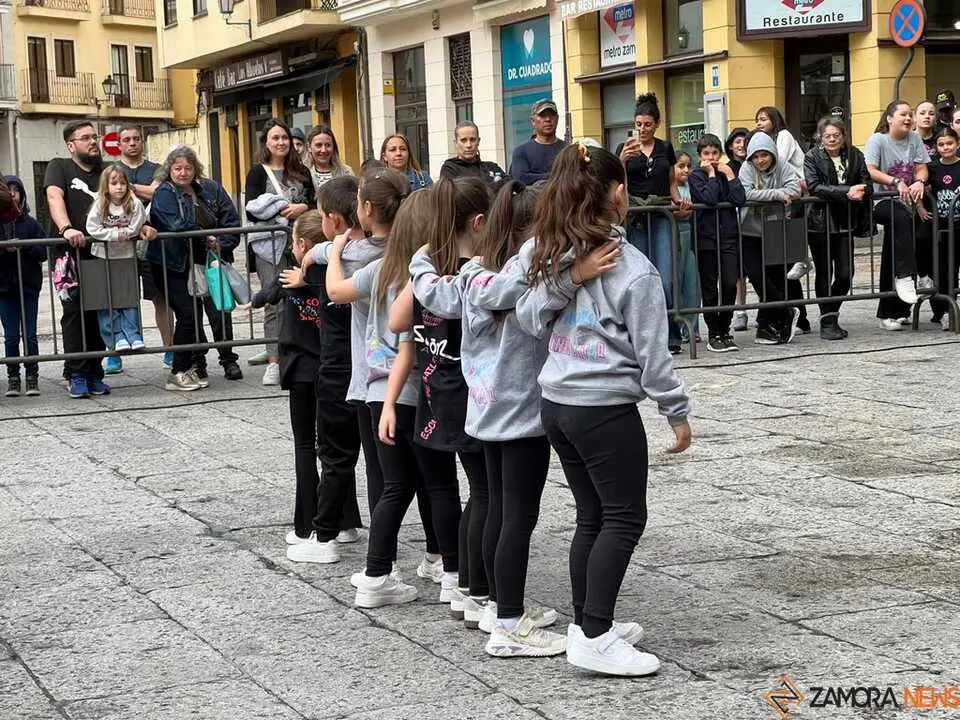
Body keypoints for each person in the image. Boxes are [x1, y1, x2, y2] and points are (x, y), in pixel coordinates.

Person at [515, 143, 691, 677]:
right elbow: (652, 353)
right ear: (618, 193)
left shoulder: (546, 251)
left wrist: (568, 277)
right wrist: (676, 411)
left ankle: (589, 624)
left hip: (558, 404)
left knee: (592, 514)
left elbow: (525, 317)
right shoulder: (633, 270)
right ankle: (594, 634)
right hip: (602, 410)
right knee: (623, 517)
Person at [302, 170, 442, 579]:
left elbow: (334, 285)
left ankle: (384, 564)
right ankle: (438, 556)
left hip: (377, 379)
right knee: (434, 478)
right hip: (421, 374)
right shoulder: (410, 256)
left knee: (388, 477)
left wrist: (323, 251)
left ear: (364, 211)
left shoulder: (360, 257)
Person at [326, 189, 462, 609]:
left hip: (374, 391)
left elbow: (335, 291)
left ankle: (376, 572)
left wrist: (332, 251)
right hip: (416, 390)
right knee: (439, 484)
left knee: (394, 487)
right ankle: (453, 575)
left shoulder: (379, 270)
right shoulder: (427, 277)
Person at [453, 180, 564, 655]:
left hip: (487, 409)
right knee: (518, 516)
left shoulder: (476, 276)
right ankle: (511, 624)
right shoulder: (520, 280)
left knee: (499, 509)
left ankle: (499, 607)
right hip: (520, 412)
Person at [249, 211, 360, 563]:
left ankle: (306, 524)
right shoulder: (338, 274)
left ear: (300, 244)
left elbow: (262, 296)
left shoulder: (296, 275)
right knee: (336, 448)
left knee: (304, 446)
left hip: (302, 369)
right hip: (336, 369)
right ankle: (345, 521)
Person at [404, 177, 492, 624]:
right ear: (479, 221)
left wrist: (418, 261)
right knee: (485, 494)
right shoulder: (476, 276)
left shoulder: (427, 269)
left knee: (462, 492)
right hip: (469, 396)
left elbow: (400, 318)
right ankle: (478, 591)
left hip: (434, 392)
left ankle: (459, 581)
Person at [46, 120, 156, 398]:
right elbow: (54, 196)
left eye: (94, 137)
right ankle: (75, 373)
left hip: (103, 254)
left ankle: (94, 371)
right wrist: (66, 227)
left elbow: (129, 197)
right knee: (74, 315)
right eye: (85, 138)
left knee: (100, 311)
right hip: (70, 256)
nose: (93, 142)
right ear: (71, 145)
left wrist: (141, 224)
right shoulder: (59, 166)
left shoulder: (107, 170)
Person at [149, 146, 241, 391]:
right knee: (189, 316)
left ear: (195, 168)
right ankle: (190, 364)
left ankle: (226, 359)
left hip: (209, 261)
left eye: (188, 168)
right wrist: (204, 236)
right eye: (177, 168)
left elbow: (231, 222)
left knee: (220, 310)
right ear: (169, 170)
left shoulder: (210, 189)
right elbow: (178, 225)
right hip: (175, 263)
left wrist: (220, 243)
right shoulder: (165, 193)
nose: (182, 173)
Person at [245, 118, 314, 385]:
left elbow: (315, 202)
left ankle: (296, 354)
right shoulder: (257, 173)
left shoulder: (302, 172)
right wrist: (279, 209)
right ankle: (274, 360)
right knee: (273, 299)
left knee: (300, 298)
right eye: (275, 138)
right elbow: (251, 209)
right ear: (266, 143)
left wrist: (303, 208)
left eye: (284, 138)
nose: (281, 143)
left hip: (301, 242)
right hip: (268, 246)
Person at [616, 93, 685, 352]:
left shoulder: (665, 147)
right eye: (638, 124)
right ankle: (644, 337)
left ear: (656, 123)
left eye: (647, 124)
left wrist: (679, 200)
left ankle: (672, 335)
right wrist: (622, 159)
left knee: (665, 278)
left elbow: (671, 182)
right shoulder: (625, 149)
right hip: (635, 219)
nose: (642, 129)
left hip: (661, 215)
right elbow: (617, 184)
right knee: (640, 279)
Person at [804, 117, 872, 341]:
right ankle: (828, 320)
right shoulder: (812, 156)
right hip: (820, 220)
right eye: (827, 136)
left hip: (846, 221)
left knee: (845, 273)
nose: (832, 139)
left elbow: (865, 179)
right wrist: (846, 191)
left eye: (836, 135)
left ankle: (829, 314)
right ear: (820, 138)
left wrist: (860, 190)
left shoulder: (854, 154)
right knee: (824, 272)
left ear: (843, 136)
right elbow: (815, 186)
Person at [864, 100, 927, 329]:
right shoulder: (877, 140)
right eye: (903, 115)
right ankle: (905, 275)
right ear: (890, 118)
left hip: (909, 203)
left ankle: (895, 310)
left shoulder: (914, 139)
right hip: (882, 201)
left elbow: (921, 166)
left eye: (910, 115)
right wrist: (896, 181)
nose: (909, 119)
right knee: (900, 220)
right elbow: (870, 170)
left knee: (897, 246)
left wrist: (919, 181)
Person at [117, 125, 174, 372]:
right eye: (126, 140)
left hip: (151, 243)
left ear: (142, 142)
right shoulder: (112, 170)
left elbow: (157, 192)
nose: (132, 143)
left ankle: (169, 349)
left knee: (162, 298)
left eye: (136, 139)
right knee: (117, 299)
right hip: (119, 244)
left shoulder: (158, 168)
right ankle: (113, 353)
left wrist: (125, 188)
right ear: (118, 144)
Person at [738, 132, 803, 345]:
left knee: (776, 276)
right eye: (756, 157)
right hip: (749, 231)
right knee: (757, 277)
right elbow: (745, 193)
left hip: (775, 227)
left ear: (772, 154)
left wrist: (777, 193)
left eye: (764, 155)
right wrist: (777, 195)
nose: (760, 160)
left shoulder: (783, 166)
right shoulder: (746, 169)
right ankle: (785, 310)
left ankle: (767, 327)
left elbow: (794, 189)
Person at [689, 134, 747, 352]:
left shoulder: (727, 172)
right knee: (710, 287)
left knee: (730, 283)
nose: (711, 157)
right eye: (706, 154)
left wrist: (730, 174)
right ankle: (714, 331)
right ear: (700, 156)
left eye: (715, 153)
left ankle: (725, 327)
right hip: (706, 237)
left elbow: (739, 199)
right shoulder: (696, 176)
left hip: (728, 236)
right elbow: (710, 199)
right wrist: (712, 174)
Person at [85, 163, 146, 353]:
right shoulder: (100, 204)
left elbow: (137, 224)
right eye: (114, 183)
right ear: (106, 186)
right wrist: (114, 235)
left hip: (126, 256)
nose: (119, 187)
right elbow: (92, 228)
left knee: (127, 296)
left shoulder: (134, 203)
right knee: (106, 299)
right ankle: (116, 336)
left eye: (122, 183)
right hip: (102, 257)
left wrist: (126, 232)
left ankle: (132, 334)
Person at [756, 106, 812, 293]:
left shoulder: (784, 135)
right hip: (786, 186)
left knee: (796, 220)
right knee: (791, 222)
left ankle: (803, 258)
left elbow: (778, 160)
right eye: (757, 120)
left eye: (763, 119)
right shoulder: (770, 139)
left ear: (774, 119)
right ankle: (800, 258)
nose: (759, 123)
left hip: (798, 183)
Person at [0, 176, 45, 397]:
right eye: (8, 190)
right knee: (10, 336)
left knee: (30, 334)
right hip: (4, 288)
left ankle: (32, 376)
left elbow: (43, 251)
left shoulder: (30, 223)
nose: (12, 194)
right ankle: (13, 377)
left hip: (28, 286)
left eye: (16, 190)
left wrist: (24, 248)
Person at [926, 127, 960, 330]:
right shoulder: (932, 168)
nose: (946, 147)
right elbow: (919, 187)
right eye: (941, 144)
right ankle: (944, 312)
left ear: (957, 144)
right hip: (941, 227)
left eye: (949, 143)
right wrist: (922, 208)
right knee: (945, 269)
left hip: (959, 224)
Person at [673, 151, 701, 344]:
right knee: (677, 281)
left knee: (692, 284)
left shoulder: (692, 186)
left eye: (688, 166)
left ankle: (692, 327)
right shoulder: (671, 188)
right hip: (675, 236)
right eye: (681, 166)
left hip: (690, 236)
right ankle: (678, 327)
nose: (686, 170)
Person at [725, 127, 752, 332]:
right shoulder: (727, 168)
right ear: (730, 146)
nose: (741, 145)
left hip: (756, 222)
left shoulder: (756, 163)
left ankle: (765, 308)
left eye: (744, 141)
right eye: (737, 142)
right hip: (735, 223)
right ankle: (740, 310)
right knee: (739, 270)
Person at [509, 99, 566, 186]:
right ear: (533, 121)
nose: (548, 119)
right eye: (542, 115)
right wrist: (556, 177)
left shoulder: (567, 150)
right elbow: (520, 178)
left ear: (557, 119)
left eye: (551, 115)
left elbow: (574, 177)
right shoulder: (521, 151)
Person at [439, 122, 508, 187]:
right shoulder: (449, 169)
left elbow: (511, 185)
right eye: (463, 140)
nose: (468, 145)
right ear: (456, 143)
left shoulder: (492, 167)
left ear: (478, 141)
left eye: (472, 140)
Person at [303, 125, 354, 195]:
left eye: (328, 145)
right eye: (318, 145)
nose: (324, 150)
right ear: (309, 147)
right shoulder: (302, 173)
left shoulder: (346, 172)